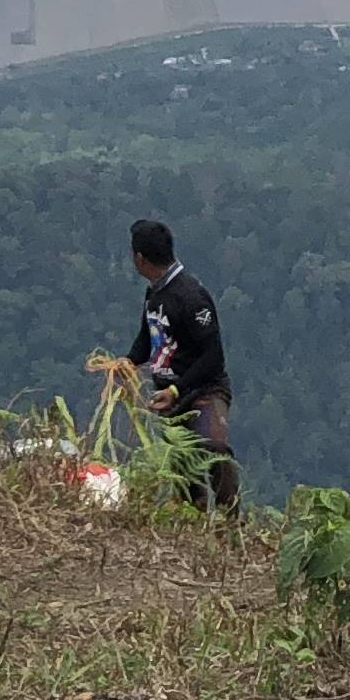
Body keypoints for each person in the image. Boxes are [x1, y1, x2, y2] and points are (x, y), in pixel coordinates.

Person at [127, 217, 238, 510]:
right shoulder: (155, 293)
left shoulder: (191, 296)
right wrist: (126, 363)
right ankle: (194, 527)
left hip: (203, 391)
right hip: (171, 399)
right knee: (185, 474)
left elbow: (212, 356)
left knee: (214, 449)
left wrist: (177, 390)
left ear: (139, 258)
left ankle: (231, 524)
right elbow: (148, 339)